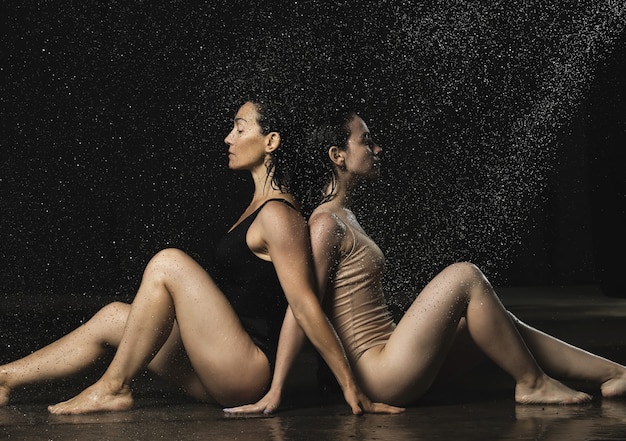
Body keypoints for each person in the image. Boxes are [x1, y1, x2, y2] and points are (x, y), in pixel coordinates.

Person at [0, 97, 401, 415]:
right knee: (114, 317)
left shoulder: (280, 215)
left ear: (271, 142)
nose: (228, 138)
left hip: (247, 367)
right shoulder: (257, 206)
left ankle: (112, 387)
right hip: (220, 358)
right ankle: (6, 378)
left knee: (168, 263)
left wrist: (349, 386)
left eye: (239, 128)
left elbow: (305, 305)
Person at [228, 104, 626, 413]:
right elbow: (302, 308)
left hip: (391, 354)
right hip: (379, 373)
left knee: (492, 320)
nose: (376, 148)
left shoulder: (343, 217)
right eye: (365, 141)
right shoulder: (323, 225)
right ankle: (533, 384)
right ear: (338, 155)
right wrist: (277, 390)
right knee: (465, 276)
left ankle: (613, 374)